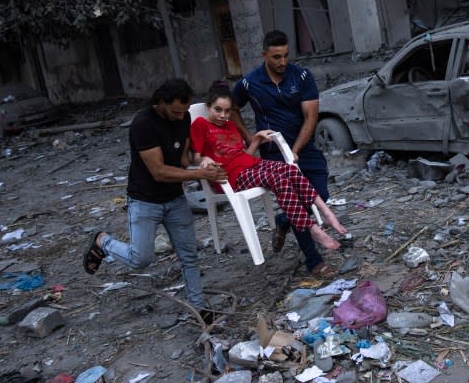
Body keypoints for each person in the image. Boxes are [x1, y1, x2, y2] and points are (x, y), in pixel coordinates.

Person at [82, 79, 226, 323]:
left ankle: (198, 309)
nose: (181, 116)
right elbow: (159, 171)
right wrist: (200, 174)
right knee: (140, 259)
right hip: (145, 200)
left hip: (174, 198)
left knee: (189, 256)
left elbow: (182, 160)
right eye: (176, 111)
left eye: (185, 110)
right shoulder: (143, 124)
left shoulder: (183, 118)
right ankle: (102, 241)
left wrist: (204, 162)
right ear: (161, 103)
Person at [231, 30, 338, 278]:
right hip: (273, 155)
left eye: (286, 56)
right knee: (299, 202)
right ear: (264, 54)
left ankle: (284, 221)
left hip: (303, 149)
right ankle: (314, 260)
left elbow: (311, 116)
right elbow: (233, 109)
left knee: (320, 195)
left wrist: (296, 151)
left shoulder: (301, 76)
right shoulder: (249, 83)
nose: (282, 62)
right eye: (276, 57)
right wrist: (251, 138)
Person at [190, 82, 345, 252]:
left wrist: (256, 139)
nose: (223, 115)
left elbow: (244, 156)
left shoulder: (231, 126)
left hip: (250, 166)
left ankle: (326, 212)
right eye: (218, 110)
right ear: (208, 106)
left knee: (290, 169)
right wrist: (204, 159)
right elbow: (196, 157)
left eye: (227, 111)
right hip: (231, 176)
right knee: (278, 180)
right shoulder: (200, 124)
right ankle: (312, 228)